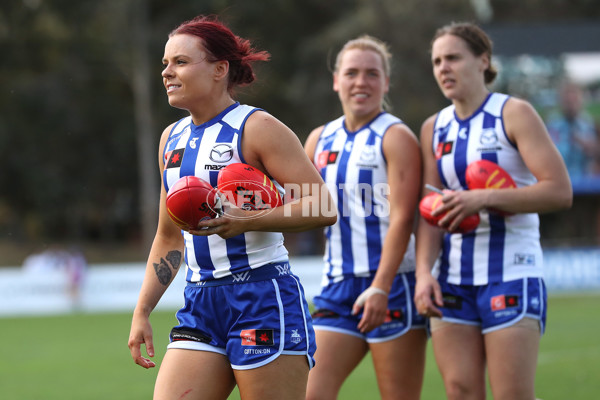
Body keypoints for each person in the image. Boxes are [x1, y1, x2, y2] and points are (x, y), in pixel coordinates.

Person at [127, 15, 336, 400]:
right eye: (165, 64)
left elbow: (324, 206)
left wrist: (250, 220)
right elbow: (168, 236)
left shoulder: (257, 127)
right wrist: (142, 311)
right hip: (200, 302)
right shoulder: (169, 140)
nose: (167, 72)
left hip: (262, 298)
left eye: (180, 62)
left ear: (220, 69)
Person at [414, 22, 572, 400]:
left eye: (453, 58)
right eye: (437, 61)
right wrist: (423, 273)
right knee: (460, 391)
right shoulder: (433, 128)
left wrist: (482, 198)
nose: (443, 68)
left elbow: (559, 191)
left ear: (483, 60)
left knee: (512, 394)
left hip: (511, 272)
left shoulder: (513, 113)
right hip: (451, 279)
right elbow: (432, 211)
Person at [304, 35, 427, 400]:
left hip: (391, 287)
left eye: (372, 74)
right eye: (352, 72)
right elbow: (302, 208)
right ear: (336, 80)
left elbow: (404, 218)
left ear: (385, 83)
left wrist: (381, 286)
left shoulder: (396, 136)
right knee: (308, 393)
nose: (361, 82)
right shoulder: (318, 140)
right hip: (337, 287)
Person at [546, 80, 600, 180]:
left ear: (581, 101)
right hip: (559, 183)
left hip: (586, 184)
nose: (571, 105)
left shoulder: (592, 126)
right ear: (561, 101)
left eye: (574, 100)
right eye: (567, 101)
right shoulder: (550, 127)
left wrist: (593, 149)